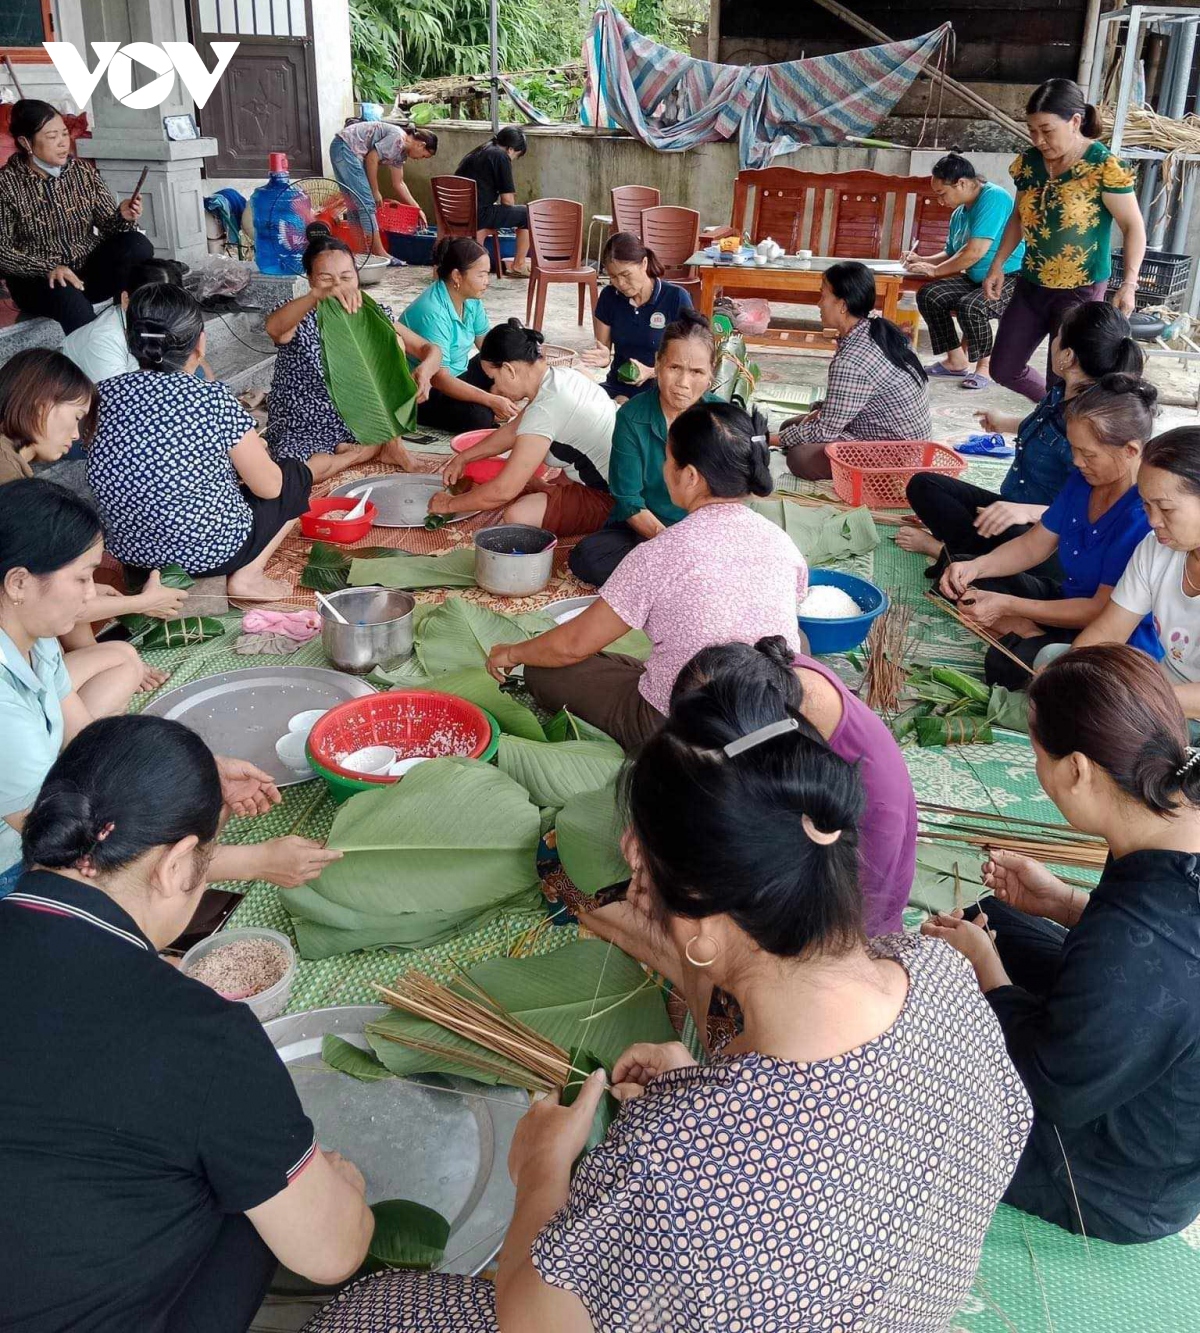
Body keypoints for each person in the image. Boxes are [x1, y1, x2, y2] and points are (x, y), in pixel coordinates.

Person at [303, 676, 1028, 1332]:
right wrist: (708, 1083)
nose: (640, 896)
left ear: (708, 927)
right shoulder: (941, 975)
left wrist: (541, 1171)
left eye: (647, 882)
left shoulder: (671, 1157)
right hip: (907, 1304)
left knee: (370, 1312)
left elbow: (534, 1322)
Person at [0, 713, 374, 1330]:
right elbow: (333, 1254)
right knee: (255, 1204)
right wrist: (341, 1188)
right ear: (177, 865)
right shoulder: (200, 1031)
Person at [924, 645, 1200, 1244]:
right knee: (990, 913)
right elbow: (1149, 961)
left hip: (1116, 1173)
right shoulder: (1178, 806)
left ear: (1076, 769)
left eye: (1034, 747)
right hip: (1147, 1033)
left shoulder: (1139, 939)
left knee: (918, 1077)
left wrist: (987, 971)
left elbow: (1053, 1086)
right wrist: (1065, 904)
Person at [0, 479, 345, 900]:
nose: (91, 595)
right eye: (82, 579)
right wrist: (257, 861)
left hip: (48, 811)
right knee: (151, 894)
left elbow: (86, 744)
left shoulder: (32, 640)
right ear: (18, 583)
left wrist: (200, 768)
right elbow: (77, 853)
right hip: (16, 864)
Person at [483, 402, 804, 750]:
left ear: (691, 476)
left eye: (668, 460)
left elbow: (572, 646)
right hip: (768, 717)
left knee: (543, 668)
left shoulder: (662, 552)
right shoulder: (783, 542)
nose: (664, 468)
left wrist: (512, 653)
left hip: (684, 729)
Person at [88, 284, 319, 602]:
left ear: (133, 342)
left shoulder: (100, 396)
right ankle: (248, 577)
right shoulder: (210, 398)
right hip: (211, 555)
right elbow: (270, 488)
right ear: (200, 343)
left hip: (134, 556)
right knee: (294, 476)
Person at [939, 373, 1159, 687]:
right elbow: (1033, 545)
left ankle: (1028, 634)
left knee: (1005, 667)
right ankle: (1030, 633)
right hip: (1065, 601)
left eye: (1088, 454)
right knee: (961, 578)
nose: (1076, 461)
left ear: (1131, 451)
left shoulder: (1143, 516)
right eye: (1074, 449)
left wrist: (1008, 605)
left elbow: (1100, 611)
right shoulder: (1083, 481)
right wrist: (975, 566)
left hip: (1110, 638)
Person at [901, 301, 1144, 572]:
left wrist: (1028, 512)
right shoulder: (1062, 391)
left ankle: (950, 555)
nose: (1054, 341)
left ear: (1068, 356)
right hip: (1015, 506)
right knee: (925, 486)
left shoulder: (1094, 423)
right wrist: (1003, 423)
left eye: (1058, 335)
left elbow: (1092, 509)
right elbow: (1041, 428)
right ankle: (966, 557)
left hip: (1050, 530)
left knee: (1010, 538)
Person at [983, 78, 1146, 402]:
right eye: (1032, 130)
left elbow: (1133, 226)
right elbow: (1018, 217)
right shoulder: (1029, 164)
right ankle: (1051, 411)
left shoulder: (1102, 167)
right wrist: (997, 264)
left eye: (1047, 130)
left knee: (1063, 377)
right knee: (1003, 367)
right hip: (1032, 283)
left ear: (1075, 121)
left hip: (1080, 290)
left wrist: (1129, 283)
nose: (1039, 139)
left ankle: (1057, 427)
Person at [264, 228, 440, 467]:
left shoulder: (371, 315)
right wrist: (317, 297)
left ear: (357, 277)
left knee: (394, 341)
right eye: (326, 279)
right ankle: (355, 456)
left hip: (357, 423)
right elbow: (274, 328)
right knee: (295, 473)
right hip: (303, 427)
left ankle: (386, 446)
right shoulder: (300, 312)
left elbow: (429, 349)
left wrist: (426, 371)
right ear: (310, 279)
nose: (338, 286)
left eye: (346, 277)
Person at [569, 309, 718, 586]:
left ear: (710, 375)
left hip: (705, 530)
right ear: (658, 364)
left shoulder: (722, 419)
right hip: (647, 528)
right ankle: (685, 573)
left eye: (697, 371)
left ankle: (676, 572)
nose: (683, 384)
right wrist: (672, 545)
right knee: (588, 559)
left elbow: (733, 497)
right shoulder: (632, 417)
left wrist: (698, 543)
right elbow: (628, 500)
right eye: (675, 368)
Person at [433, 320, 616, 538]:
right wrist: (464, 457)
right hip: (621, 476)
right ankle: (565, 494)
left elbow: (503, 491)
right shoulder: (562, 377)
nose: (495, 388)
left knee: (518, 514)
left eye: (494, 379)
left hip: (616, 498)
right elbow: (513, 431)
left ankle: (612, 522)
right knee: (529, 479)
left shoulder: (545, 409)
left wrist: (449, 504)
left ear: (509, 370)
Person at [1074, 427, 1200, 730]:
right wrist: (1069, 672)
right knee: (1054, 660)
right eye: (1146, 505)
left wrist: (1130, 699)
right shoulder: (1156, 548)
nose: (1153, 521)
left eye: (1166, 508)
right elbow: (1109, 628)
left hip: (1181, 703)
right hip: (1163, 686)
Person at [0, 99, 154, 333]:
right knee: (66, 295)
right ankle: (98, 361)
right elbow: (3, 252)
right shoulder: (6, 184)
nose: (63, 143)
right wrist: (48, 267)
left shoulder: (82, 172)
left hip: (86, 271)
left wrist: (123, 216)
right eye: (52, 137)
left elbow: (109, 227)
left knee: (137, 245)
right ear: (25, 142)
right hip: (40, 280)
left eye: (64, 133)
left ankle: (141, 332)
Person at [776, 261, 931, 480]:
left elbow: (824, 432)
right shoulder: (876, 328)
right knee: (790, 427)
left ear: (843, 304)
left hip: (895, 456)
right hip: (894, 436)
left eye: (823, 296)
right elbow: (846, 403)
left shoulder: (853, 360)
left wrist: (766, 438)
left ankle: (882, 478)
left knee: (800, 457)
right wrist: (817, 414)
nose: (819, 304)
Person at [905, 151, 1024, 390]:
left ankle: (985, 367)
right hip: (975, 276)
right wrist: (922, 259)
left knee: (971, 306)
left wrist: (935, 271)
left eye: (942, 194)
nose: (940, 201)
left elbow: (974, 252)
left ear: (961, 183)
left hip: (1010, 276)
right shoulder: (960, 212)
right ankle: (955, 361)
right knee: (930, 295)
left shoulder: (994, 198)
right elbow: (952, 252)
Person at [400, 238, 516, 434]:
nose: (487, 282)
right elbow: (439, 378)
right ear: (457, 276)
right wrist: (491, 399)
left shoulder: (471, 299)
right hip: (427, 390)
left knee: (507, 358)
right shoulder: (432, 311)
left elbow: (487, 347)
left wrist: (507, 370)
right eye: (481, 275)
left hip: (459, 375)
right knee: (480, 417)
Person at [579, 232, 695, 401]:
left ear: (644, 264)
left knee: (627, 408)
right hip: (618, 386)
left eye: (626, 275)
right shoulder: (609, 297)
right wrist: (604, 357)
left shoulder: (675, 298)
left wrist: (651, 371)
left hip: (662, 390)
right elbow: (603, 349)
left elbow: (691, 359)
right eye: (613, 277)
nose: (620, 284)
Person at [60, 257, 211, 385]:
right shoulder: (101, 341)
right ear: (125, 299)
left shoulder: (173, 321)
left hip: (141, 385)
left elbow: (200, 367)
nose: (162, 314)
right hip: (85, 403)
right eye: (150, 305)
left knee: (198, 374)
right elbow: (120, 404)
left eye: (169, 305)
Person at [329, 120, 437, 259]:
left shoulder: (401, 153)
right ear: (421, 144)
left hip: (343, 147)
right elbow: (372, 159)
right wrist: (375, 191)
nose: (419, 159)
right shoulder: (398, 139)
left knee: (354, 204)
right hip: (346, 147)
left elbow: (399, 183)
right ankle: (378, 252)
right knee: (367, 204)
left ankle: (361, 252)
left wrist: (418, 209)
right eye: (423, 155)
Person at [453, 126, 532, 277]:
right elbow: (507, 201)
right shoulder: (501, 156)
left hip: (456, 212)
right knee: (528, 214)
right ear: (510, 149)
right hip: (478, 215)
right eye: (516, 155)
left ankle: (476, 259)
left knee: (500, 212)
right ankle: (518, 265)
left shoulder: (479, 150)